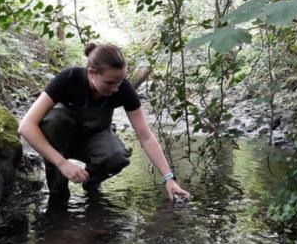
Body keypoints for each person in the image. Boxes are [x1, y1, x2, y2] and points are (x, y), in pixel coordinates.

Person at [18, 42, 189, 201]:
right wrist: (62, 163)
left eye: (120, 82)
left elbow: (146, 137)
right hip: (59, 142)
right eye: (110, 82)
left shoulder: (123, 90)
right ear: (91, 73)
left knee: (117, 156)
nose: (116, 88)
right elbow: (26, 126)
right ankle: (58, 192)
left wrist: (169, 179)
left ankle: (90, 183)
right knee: (55, 119)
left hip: (94, 140)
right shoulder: (68, 79)